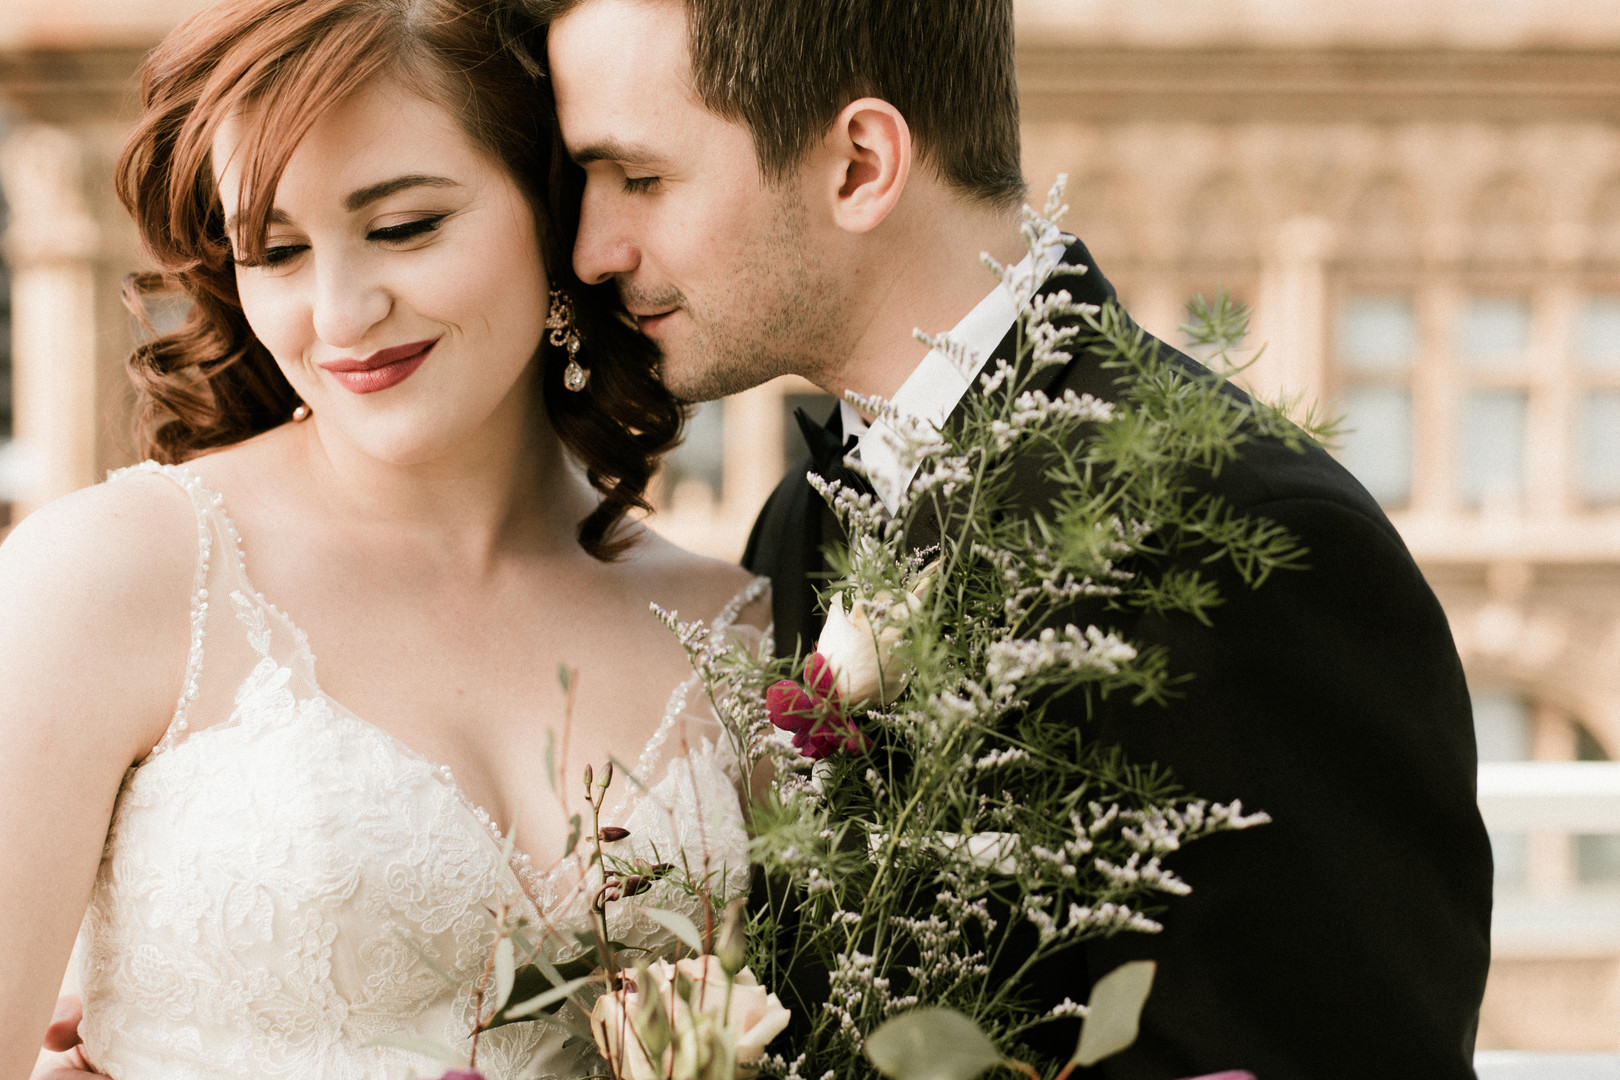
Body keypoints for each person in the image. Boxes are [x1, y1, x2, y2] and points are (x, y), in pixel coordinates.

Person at [538, 0, 1494, 1077]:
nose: (593, 248)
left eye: (641, 180)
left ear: (860, 164)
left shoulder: (1243, 543)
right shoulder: (802, 518)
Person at [10, 0, 766, 1076]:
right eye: (274, 250)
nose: (340, 311)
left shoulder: (736, 630)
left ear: (552, 212)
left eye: (405, 227)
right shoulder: (109, 578)